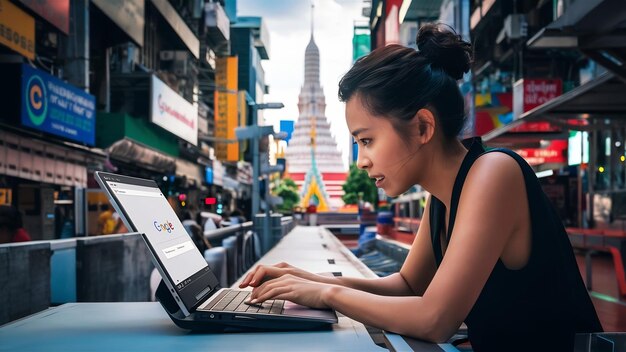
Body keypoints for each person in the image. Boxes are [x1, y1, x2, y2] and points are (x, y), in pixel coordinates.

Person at [239, 23, 602, 351]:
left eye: (367, 141)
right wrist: (304, 279)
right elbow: (408, 286)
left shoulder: (495, 173)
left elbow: (435, 319)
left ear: (423, 128)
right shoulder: (443, 196)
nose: (362, 160)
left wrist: (327, 293)